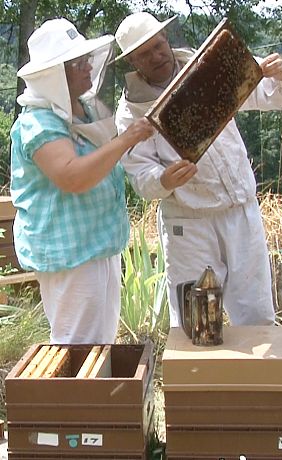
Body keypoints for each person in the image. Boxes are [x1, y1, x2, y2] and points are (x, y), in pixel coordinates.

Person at [114, 12, 282, 328]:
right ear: (132, 60)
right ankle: (202, 377)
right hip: (188, 220)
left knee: (257, 315)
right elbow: (140, 173)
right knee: (196, 323)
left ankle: (254, 378)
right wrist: (163, 179)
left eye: (159, 45)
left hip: (240, 211)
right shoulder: (130, 112)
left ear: (167, 39)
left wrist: (277, 73)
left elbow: (269, 96)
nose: (157, 55)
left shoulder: (207, 66)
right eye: (145, 53)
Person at [10, 18, 153, 344]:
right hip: (70, 254)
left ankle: (94, 397)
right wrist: (126, 139)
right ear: (52, 74)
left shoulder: (84, 110)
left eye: (86, 58)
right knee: (77, 350)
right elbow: (72, 176)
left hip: (98, 245)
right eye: (77, 63)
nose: (88, 66)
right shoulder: (37, 123)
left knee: (98, 346)